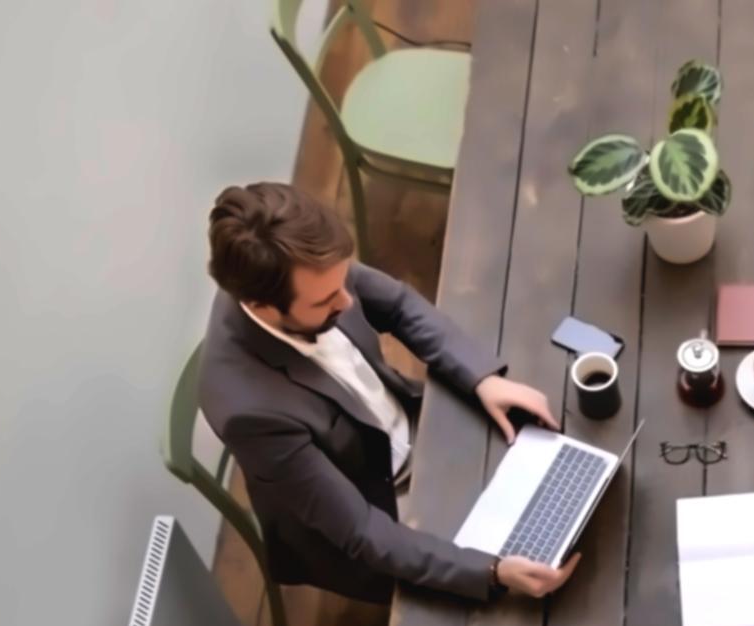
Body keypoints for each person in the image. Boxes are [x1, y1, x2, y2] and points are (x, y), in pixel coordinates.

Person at [198, 182, 578, 604]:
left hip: (411, 428)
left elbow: (396, 305)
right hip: (375, 503)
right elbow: (361, 530)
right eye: (326, 301)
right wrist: (490, 572)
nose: (348, 300)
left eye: (344, 281)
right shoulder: (248, 413)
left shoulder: (301, 267)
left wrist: (483, 378)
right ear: (263, 307)